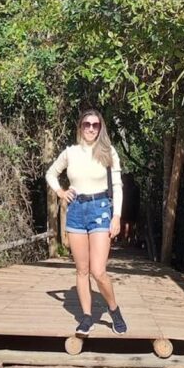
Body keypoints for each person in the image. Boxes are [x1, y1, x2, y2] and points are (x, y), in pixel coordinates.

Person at [46, 109, 127, 337]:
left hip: (101, 209)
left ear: (101, 128)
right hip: (76, 210)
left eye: (95, 125)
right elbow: (51, 173)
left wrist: (117, 216)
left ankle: (114, 310)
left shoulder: (108, 151)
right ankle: (87, 318)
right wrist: (60, 192)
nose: (91, 128)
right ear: (80, 127)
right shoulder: (70, 152)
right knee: (81, 270)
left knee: (98, 271)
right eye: (86, 124)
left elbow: (118, 186)